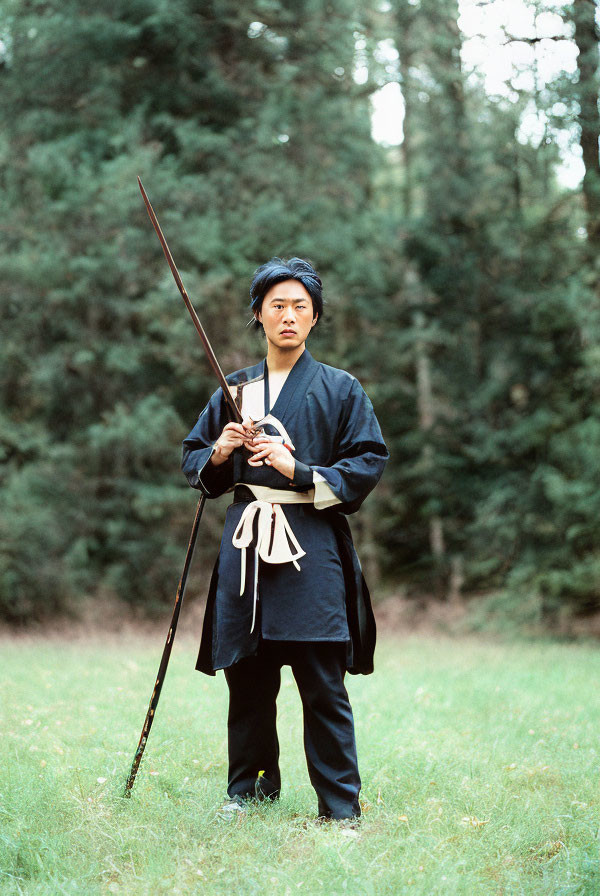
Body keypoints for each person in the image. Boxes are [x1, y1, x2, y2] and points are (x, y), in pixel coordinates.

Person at [181, 257, 388, 822]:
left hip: (311, 547)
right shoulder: (236, 388)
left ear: (315, 317)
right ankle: (249, 795)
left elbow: (368, 463)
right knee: (247, 679)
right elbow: (195, 460)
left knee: (322, 683)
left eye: (300, 305)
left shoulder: (341, 390)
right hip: (246, 548)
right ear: (259, 315)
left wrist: (298, 470)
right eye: (278, 305)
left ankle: (340, 807)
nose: (289, 315)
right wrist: (221, 451)